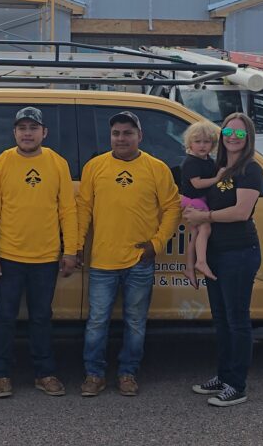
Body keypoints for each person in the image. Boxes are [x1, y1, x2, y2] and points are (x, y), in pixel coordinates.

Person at [77, 111, 181, 397]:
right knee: (97, 321)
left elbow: (173, 207)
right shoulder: (95, 167)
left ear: (139, 136)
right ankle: (93, 374)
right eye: (116, 133)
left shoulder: (156, 168)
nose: (121, 138)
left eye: (127, 133)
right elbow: (83, 209)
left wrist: (157, 244)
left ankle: (127, 373)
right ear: (110, 136)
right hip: (102, 261)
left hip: (140, 260)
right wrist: (75, 245)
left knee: (135, 322)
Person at [0, 107, 79, 399]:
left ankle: (44, 373)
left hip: (46, 258)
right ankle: (1, 375)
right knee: (4, 317)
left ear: (44, 133)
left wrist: (70, 249)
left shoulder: (57, 163)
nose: (27, 133)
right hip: (8, 257)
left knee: (41, 318)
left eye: (33, 128)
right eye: (22, 128)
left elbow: (67, 210)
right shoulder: (1, 163)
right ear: (14, 133)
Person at [184, 113, 263, 408]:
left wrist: (203, 216)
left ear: (248, 138)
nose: (232, 137)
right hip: (216, 253)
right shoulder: (219, 168)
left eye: (240, 134)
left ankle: (237, 385)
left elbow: (241, 212)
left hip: (239, 252)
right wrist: (191, 256)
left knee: (237, 321)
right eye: (228, 131)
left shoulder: (250, 170)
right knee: (221, 320)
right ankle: (223, 376)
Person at [180, 121, 224, 287]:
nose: (202, 146)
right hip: (194, 201)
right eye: (198, 142)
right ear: (190, 143)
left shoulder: (208, 161)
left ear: (213, 144)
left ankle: (189, 268)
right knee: (205, 229)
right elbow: (197, 184)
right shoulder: (191, 162)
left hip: (199, 200)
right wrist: (217, 179)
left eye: (207, 142)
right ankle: (201, 262)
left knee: (195, 236)